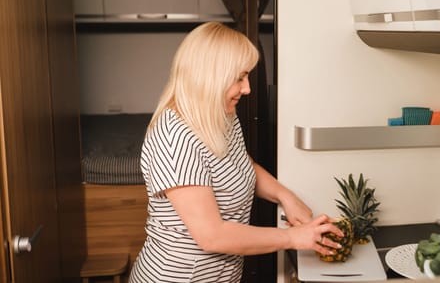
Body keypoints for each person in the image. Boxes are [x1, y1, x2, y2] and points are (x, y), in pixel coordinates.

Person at [129, 22, 343, 283]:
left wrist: (285, 196)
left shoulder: (221, 114)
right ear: (210, 76)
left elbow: (242, 165)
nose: (247, 88)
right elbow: (212, 236)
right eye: (239, 77)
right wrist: (293, 237)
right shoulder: (175, 137)